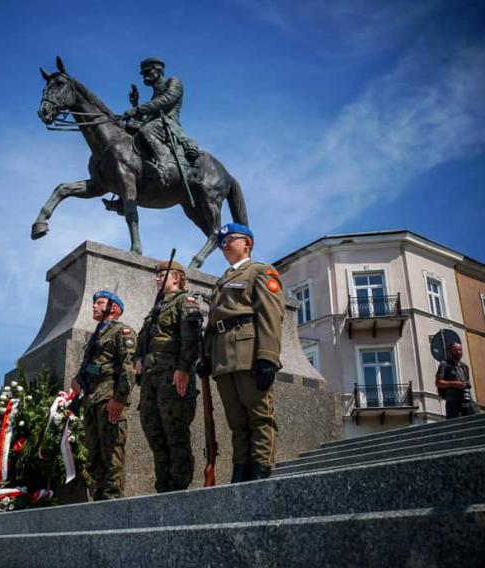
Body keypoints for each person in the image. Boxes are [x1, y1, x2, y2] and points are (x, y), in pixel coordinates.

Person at [203, 223, 284, 482]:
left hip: (248, 353)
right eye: (222, 241)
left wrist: (267, 356)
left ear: (247, 243)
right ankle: (240, 470)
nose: (224, 244)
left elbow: (270, 315)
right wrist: (206, 357)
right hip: (223, 358)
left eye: (231, 239)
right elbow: (213, 324)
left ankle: (260, 470)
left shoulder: (259, 271)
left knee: (259, 416)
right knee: (236, 422)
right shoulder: (221, 280)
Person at [134, 259, 202, 492]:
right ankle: (163, 486)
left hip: (172, 374)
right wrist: (137, 359)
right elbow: (142, 341)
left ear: (177, 278)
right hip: (151, 378)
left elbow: (192, 339)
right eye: (157, 275)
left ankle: (179, 487)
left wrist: (183, 369)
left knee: (175, 431)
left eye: (163, 275)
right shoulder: (156, 308)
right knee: (153, 431)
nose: (157, 278)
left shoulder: (185, 301)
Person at [71, 290, 137, 500]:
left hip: (110, 398)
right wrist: (78, 380)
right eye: (94, 302)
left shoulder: (122, 331)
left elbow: (129, 369)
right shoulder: (96, 335)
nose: (94, 306)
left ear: (114, 309)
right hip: (92, 400)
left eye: (100, 302)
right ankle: (98, 498)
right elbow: (89, 365)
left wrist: (119, 400)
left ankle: (112, 499)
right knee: (94, 453)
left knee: (112, 452)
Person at [123, 57, 199, 176]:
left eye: (148, 72)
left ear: (158, 71)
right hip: (156, 123)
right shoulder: (154, 96)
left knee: (147, 130)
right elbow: (146, 118)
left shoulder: (173, 82)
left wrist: (137, 109)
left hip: (169, 124)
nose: (145, 76)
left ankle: (162, 167)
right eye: (143, 74)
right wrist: (135, 103)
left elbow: (166, 100)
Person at [436, 342, 477, 419]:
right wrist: (454, 384)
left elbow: (467, 382)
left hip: (466, 401)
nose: (458, 352)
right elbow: (439, 382)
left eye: (460, 350)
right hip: (453, 402)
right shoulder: (444, 364)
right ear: (450, 352)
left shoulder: (465, 367)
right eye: (455, 350)